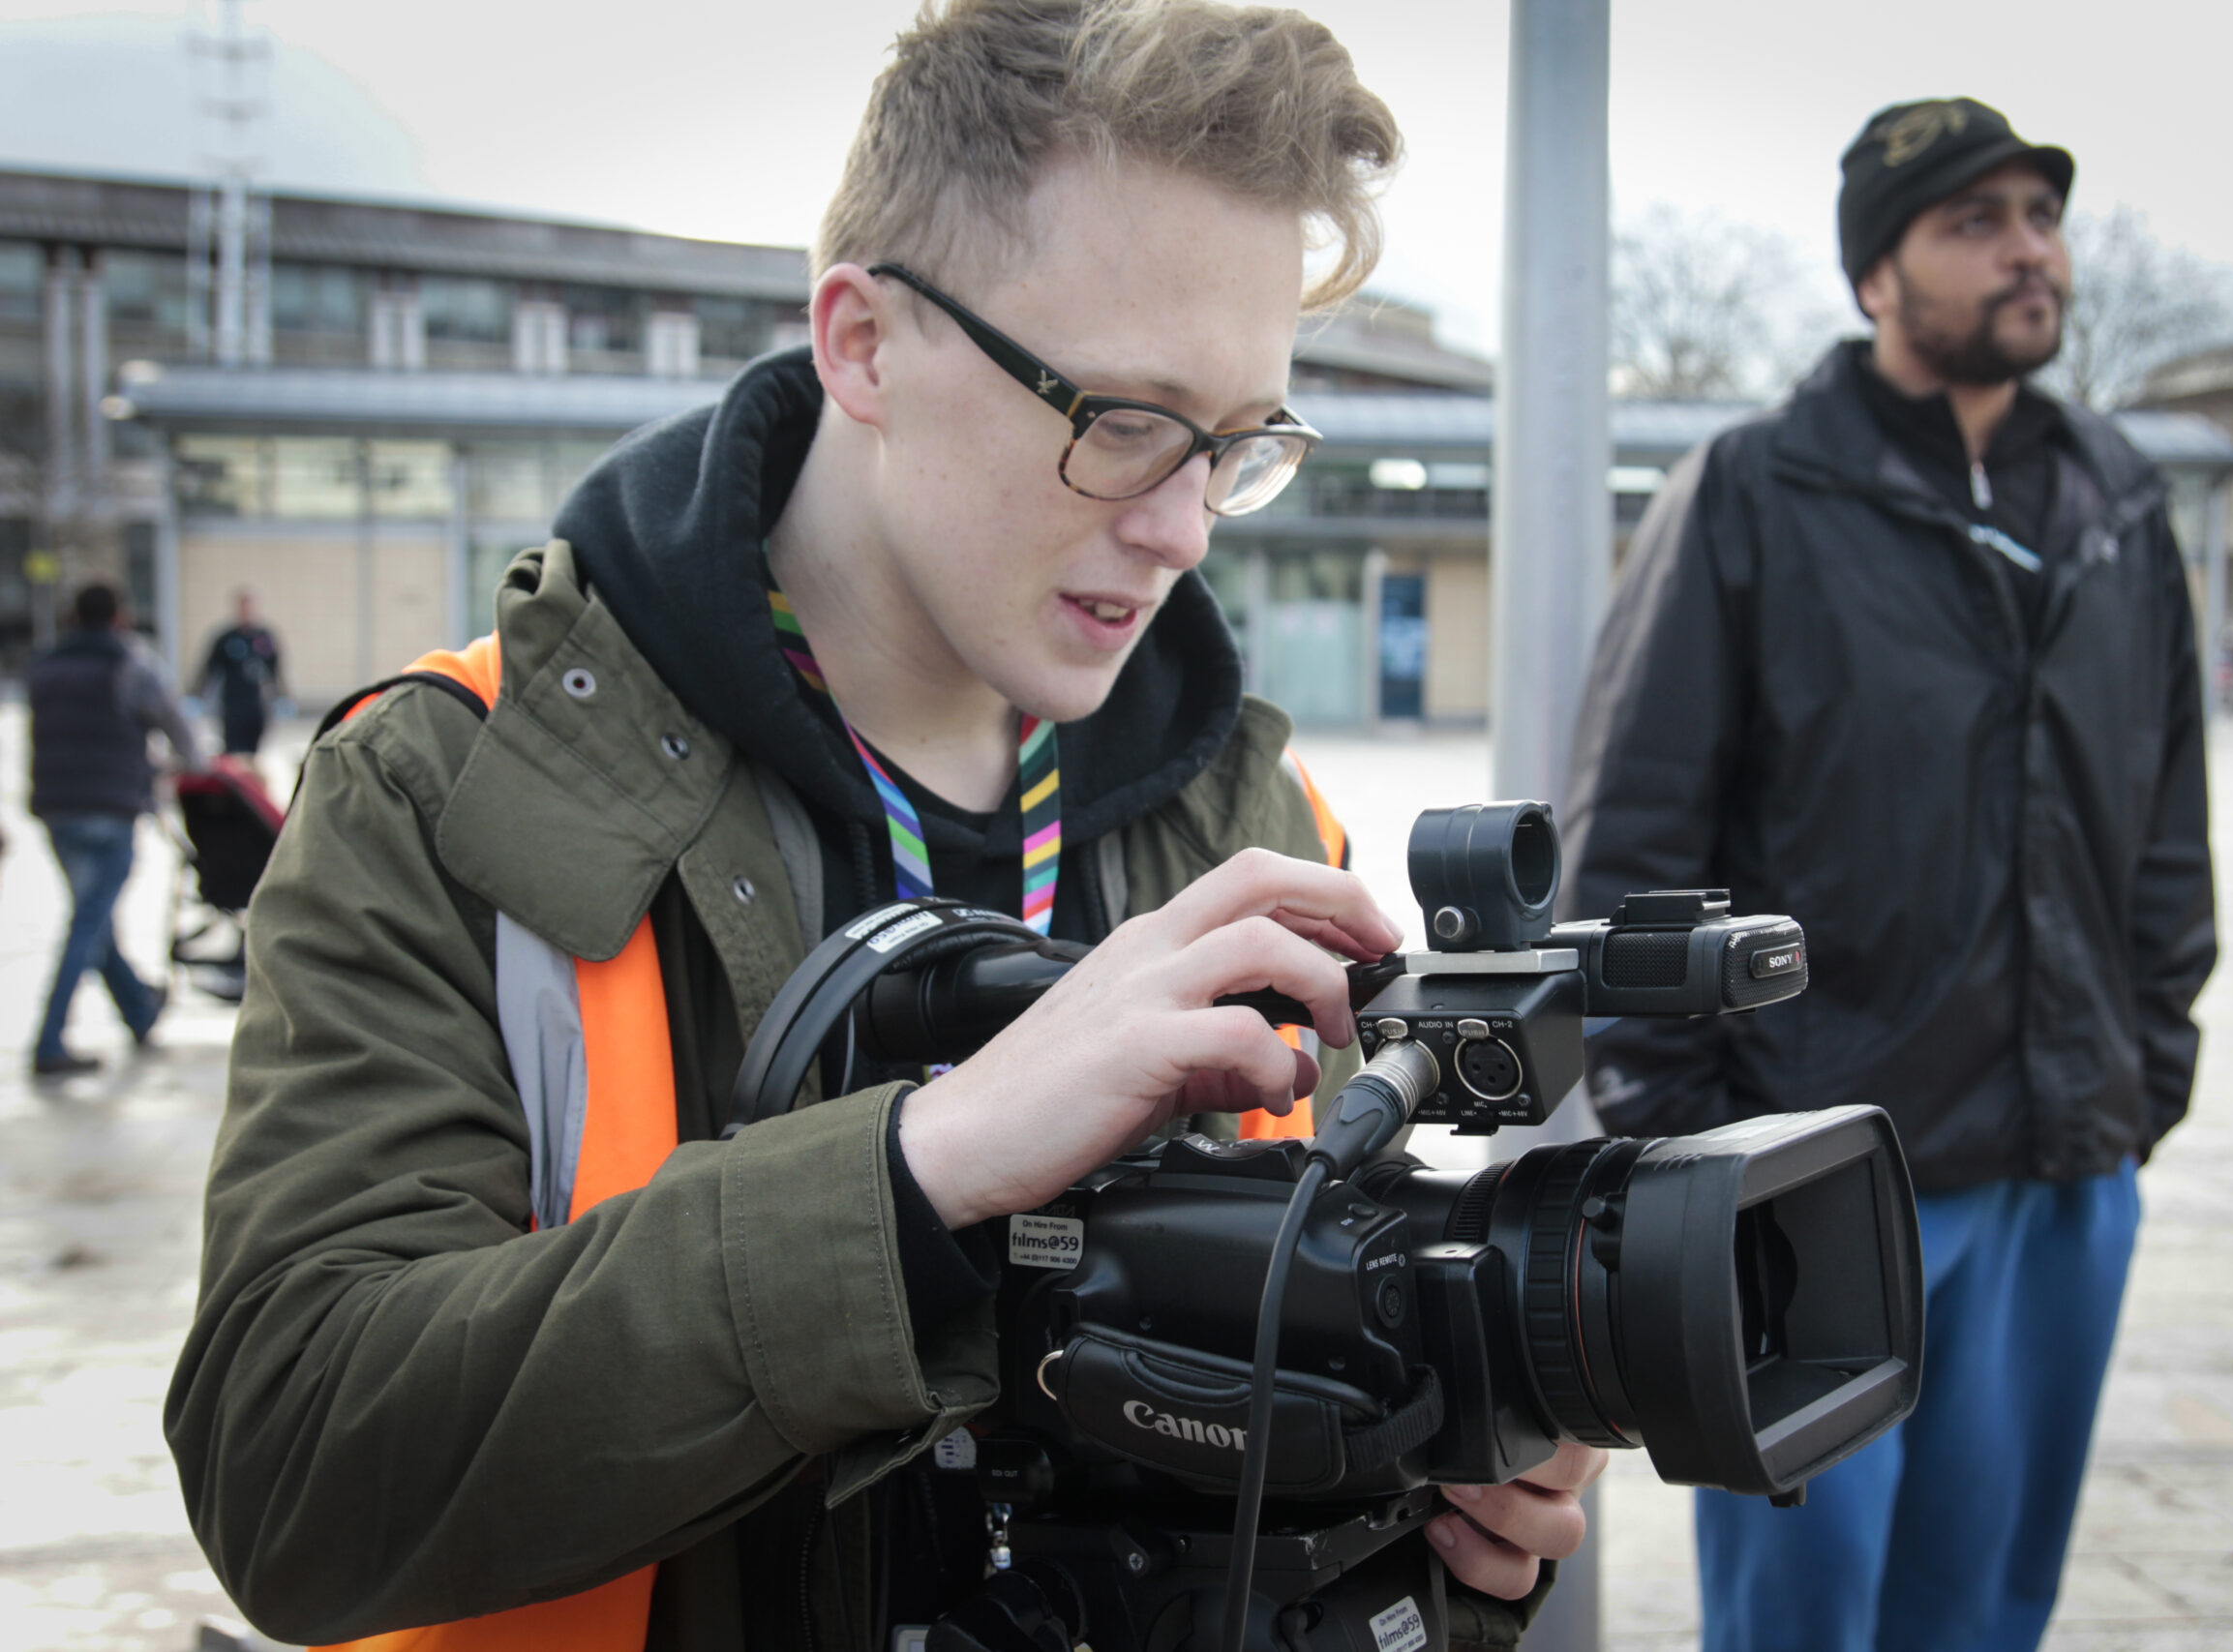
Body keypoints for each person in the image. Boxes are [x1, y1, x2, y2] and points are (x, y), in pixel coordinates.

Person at [166, 4, 1601, 1648]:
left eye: (1234, 443)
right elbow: (289, 1470)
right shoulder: (447, 784)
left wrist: (1461, 1507)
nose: (1185, 525)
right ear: (861, 344)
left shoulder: (1258, 821)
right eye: (1125, 419)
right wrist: (925, 1175)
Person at [1561, 98, 2217, 1652]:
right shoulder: (1754, 494)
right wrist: (1707, 1165)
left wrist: (2148, 1068)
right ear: (1878, 275)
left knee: (1987, 1604)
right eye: (1973, 224)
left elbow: (2169, 821)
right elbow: (1635, 848)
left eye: (2039, 218)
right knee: (1804, 1614)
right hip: (1819, 1188)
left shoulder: (2119, 506)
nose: (2027, 251)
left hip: (2067, 1171)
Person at [26, 580, 203, 1076]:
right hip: (110, 807)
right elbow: (180, 730)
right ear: (119, 617)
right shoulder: (131, 664)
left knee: (94, 918)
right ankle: (49, 1041)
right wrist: (191, 766)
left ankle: (139, 1012)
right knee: (87, 923)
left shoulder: (45, 665)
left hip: (58, 810)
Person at [192, 587, 286, 759]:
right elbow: (208, 669)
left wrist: (283, 696)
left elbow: (276, 670)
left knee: (253, 754)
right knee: (232, 754)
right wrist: (195, 695)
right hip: (232, 706)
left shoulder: (264, 637)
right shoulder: (226, 638)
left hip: (256, 707)